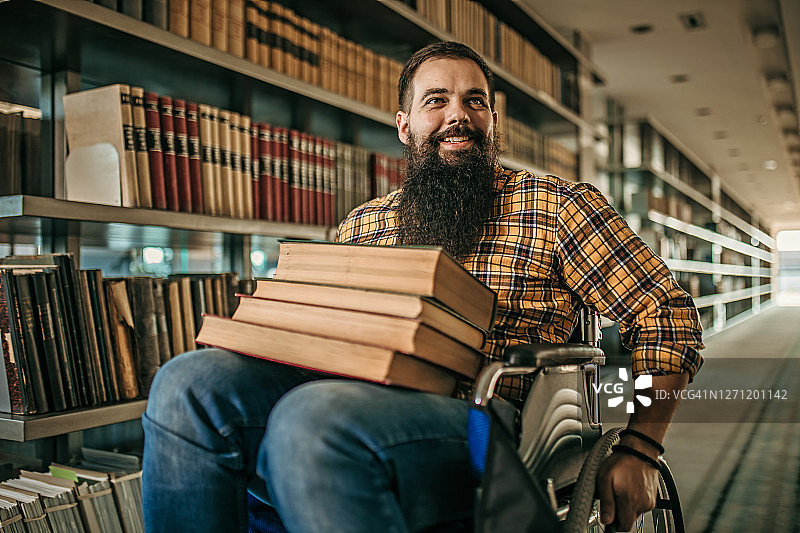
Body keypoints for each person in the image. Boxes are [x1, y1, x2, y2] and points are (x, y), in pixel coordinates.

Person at [142, 41, 703, 532]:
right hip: (356, 398)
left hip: (493, 424)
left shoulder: (556, 205)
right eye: (436, 100)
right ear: (404, 125)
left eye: (475, 101)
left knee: (312, 418)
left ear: (492, 122)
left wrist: (641, 446)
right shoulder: (361, 225)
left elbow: (666, 313)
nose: (458, 115)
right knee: (189, 383)